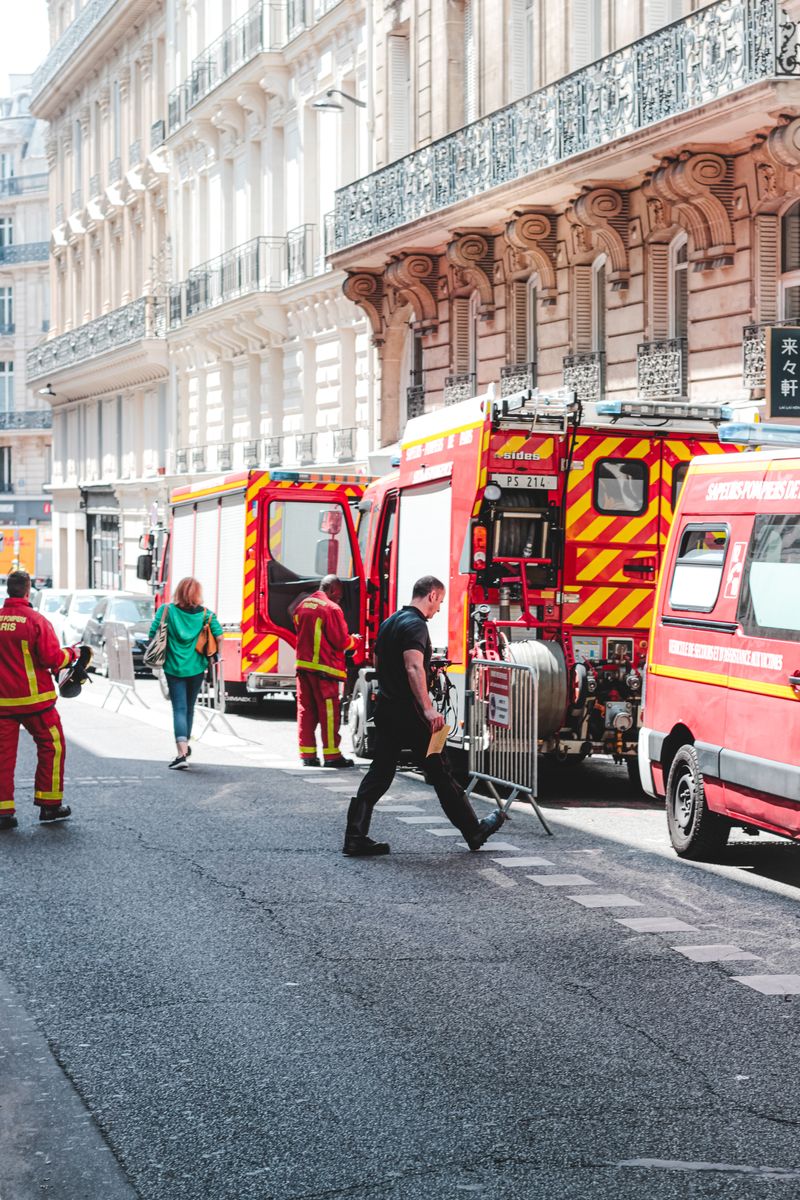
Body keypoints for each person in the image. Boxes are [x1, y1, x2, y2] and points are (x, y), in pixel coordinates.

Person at [343, 575, 506, 857]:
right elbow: (413, 667)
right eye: (440, 601)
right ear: (431, 595)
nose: (439, 608)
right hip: (412, 715)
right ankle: (473, 831)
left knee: (380, 773)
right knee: (440, 771)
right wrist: (429, 708)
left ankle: (355, 836)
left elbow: (381, 664)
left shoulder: (390, 622)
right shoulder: (416, 625)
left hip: (387, 711)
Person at [0, 570, 78, 830]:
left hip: (2, 704)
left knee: (2, 756)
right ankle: (50, 805)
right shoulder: (35, 620)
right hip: (36, 703)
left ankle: (3, 812)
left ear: (8, 590)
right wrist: (74, 652)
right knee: (52, 746)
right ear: (27, 590)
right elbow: (51, 658)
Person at [148, 576, 223, 770]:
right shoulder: (206, 615)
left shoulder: (166, 610)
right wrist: (216, 655)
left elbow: (152, 634)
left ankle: (181, 753)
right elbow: (220, 636)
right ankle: (185, 746)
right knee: (189, 708)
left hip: (173, 667)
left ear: (178, 592)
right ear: (198, 593)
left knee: (179, 709)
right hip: (197, 667)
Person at [293, 573, 362, 767]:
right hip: (325, 672)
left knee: (306, 712)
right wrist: (355, 641)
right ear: (332, 590)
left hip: (304, 668)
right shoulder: (331, 609)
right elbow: (341, 641)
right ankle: (332, 756)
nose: (339, 599)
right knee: (329, 714)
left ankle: (307, 755)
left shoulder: (303, 605)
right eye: (339, 595)